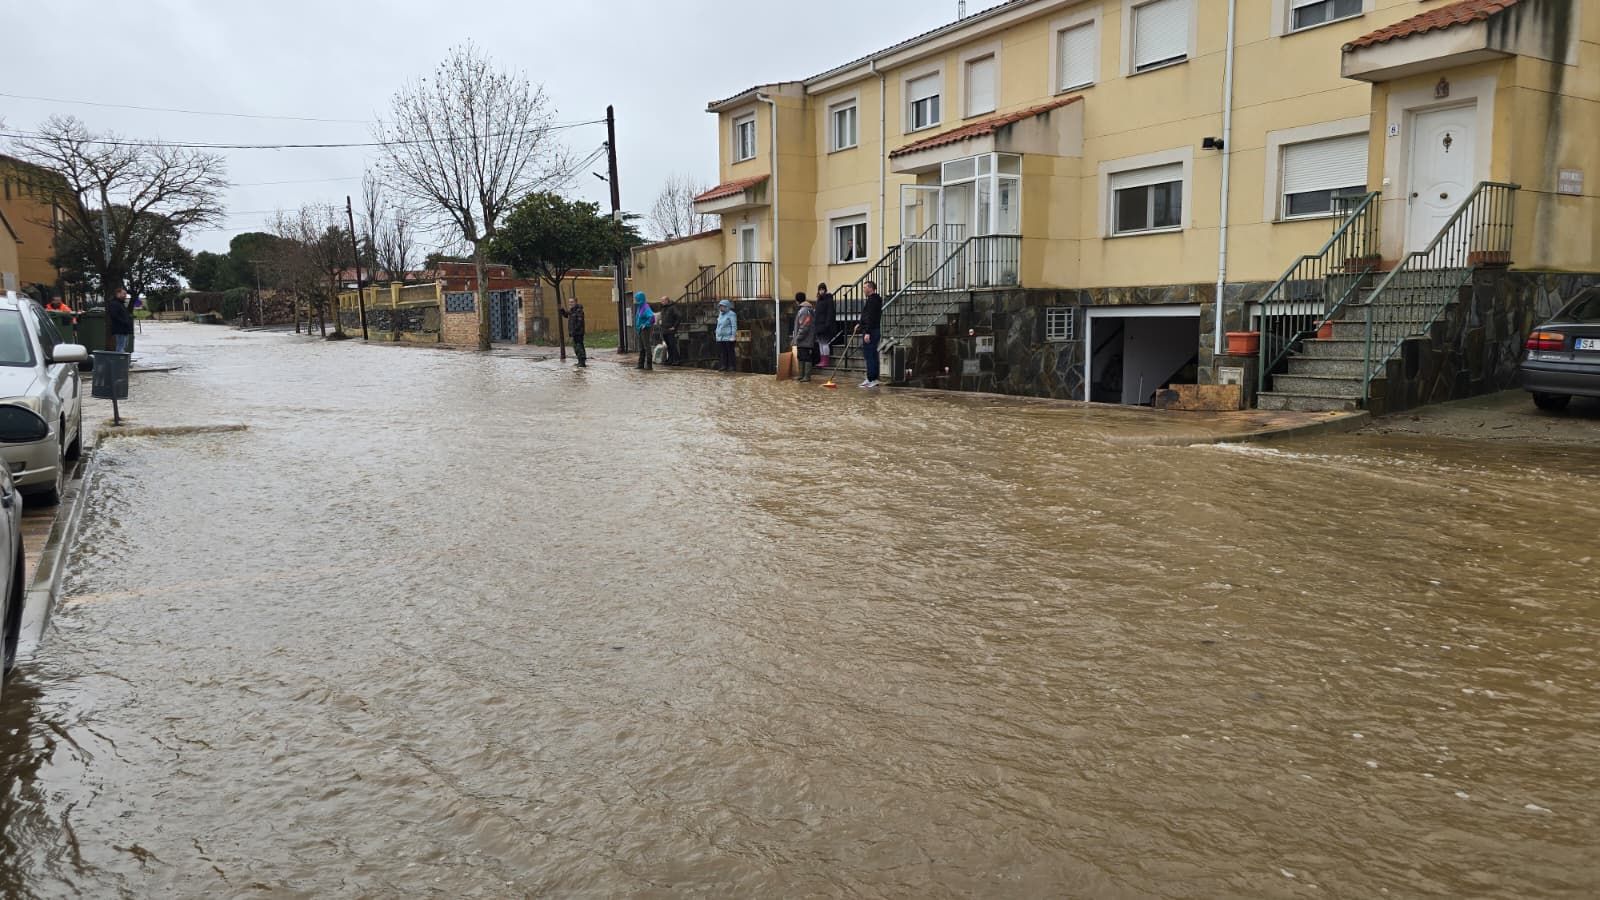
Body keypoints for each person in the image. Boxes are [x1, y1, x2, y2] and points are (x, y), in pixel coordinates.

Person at [854, 280, 882, 388]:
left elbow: (871, 318)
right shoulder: (872, 300)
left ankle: (872, 378)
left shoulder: (873, 301)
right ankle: (872, 378)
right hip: (871, 330)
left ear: (871, 288)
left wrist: (867, 332)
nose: (863, 289)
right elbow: (866, 316)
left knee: (870, 355)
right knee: (872, 355)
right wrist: (860, 324)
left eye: (865, 287)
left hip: (871, 331)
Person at [790, 292, 817, 383]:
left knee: (805, 357)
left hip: (805, 340)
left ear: (797, 301)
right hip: (805, 340)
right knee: (801, 356)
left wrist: (796, 338)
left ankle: (806, 376)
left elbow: (804, 326)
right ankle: (802, 375)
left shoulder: (804, 311)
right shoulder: (806, 309)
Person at [813, 283, 837, 368]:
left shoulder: (828, 299)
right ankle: (822, 359)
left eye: (822, 289)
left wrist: (827, 324)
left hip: (824, 326)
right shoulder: (819, 300)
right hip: (818, 325)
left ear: (825, 290)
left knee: (825, 343)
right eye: (820, 289)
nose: (821, 291)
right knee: (820, 343)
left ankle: (826, 360)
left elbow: (830, 313)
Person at [559, 296, 587, 367]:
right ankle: (580, 361)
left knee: (578, 347)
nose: (570, 303)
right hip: (574, 333)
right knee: (576, 347)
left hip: (578, 333)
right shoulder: (572, 310)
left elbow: (579, 322)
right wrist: (562, 311)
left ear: (576, 302)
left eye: (572, 302)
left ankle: (582, 362)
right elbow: (566, 315)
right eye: (569, 302)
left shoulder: (579, 310)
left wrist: (574, 330)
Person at [634, 292, 656, 370]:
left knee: (647, 347)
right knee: (641, 347)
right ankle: (640, 364)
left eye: (637, 298)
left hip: (645, 329)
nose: (635, 300)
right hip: (640, 329)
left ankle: (649, 365)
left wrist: (645, 324)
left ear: (640, 298)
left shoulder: (645, 307)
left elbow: (652, 317)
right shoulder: (640, 307)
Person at [715, 299, 737, 373]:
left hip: (729, 337)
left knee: (730, 352)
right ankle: (724, 365)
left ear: (726, 306)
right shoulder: (720, 314)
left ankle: (732, 366)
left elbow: (734, 325)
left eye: (722, 306)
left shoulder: (731, 314)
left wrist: (733, 336)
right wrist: (717, 334)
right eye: (720, 306)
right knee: (723, 352)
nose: (720, 308)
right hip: (721, 337)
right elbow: (718, 325)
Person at [659, 297, 682, 366]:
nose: (661, 302)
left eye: (663, 301)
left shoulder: (672, 307)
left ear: (667, 301)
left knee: (673, 345)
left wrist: (674, 327)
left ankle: (676, 360)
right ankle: (670, 359)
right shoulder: (663, 308)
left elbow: (679, 316)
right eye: (661, 301)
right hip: (664, 330)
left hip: (670, 330)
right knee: (668, 346)